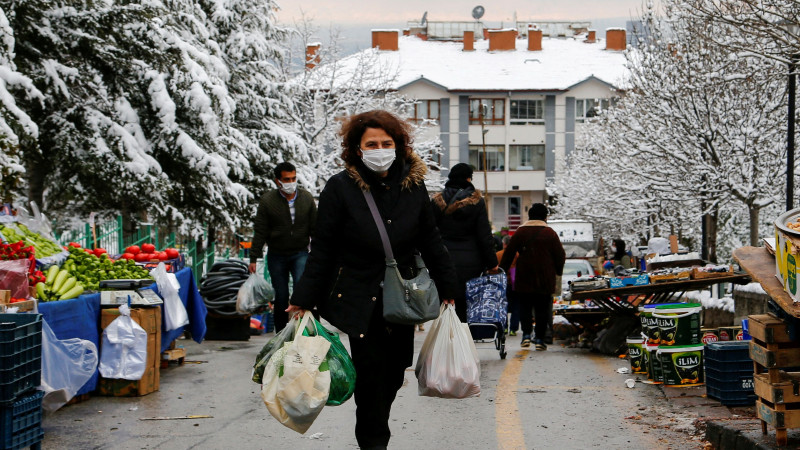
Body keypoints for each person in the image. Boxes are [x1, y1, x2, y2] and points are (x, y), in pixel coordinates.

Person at [288, 110, 458, 450]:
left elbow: (431, 240)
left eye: (386, 142)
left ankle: (376, 424)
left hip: (402, 295)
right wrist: (303, 298)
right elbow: (322, 247)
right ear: (357, 148)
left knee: (394, 373)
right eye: (371, 143)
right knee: (369, 374)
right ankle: (373, 441)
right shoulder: (340, 187)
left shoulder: (413, 185)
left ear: (398, 145)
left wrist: (451, 290)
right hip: (358, 293)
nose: (379, 149)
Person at [249, 162, 317, 332]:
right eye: (287, 179)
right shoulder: (268, 201)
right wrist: (253, 257)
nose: (291, 182)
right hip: (276, 254)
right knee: (281, 295)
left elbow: (315, 227)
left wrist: (318, 253)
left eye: (293, 178)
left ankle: (307, 332)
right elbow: (260, 230)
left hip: (300, 252)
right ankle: (280, 333)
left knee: (303, 291)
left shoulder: (306, 198)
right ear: (278, 181)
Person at [431, 163, 498, 322]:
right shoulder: (477, 202)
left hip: (442, 260)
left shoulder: (436, 201)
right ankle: (462, 339)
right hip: (471, 262)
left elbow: (429, 233)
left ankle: (445, 340)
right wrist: (492, 263)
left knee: (444, 302)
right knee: (465, 306)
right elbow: (484, 235)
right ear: (468, 178)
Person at [499, 203, 565, 350]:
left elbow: (509, 253)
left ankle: (526, 335)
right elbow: (560, 255)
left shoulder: (520, 232)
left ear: (530, 216)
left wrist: (502, 271)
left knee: (525, 307)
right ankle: (540, 339)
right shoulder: (550, 233)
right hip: (545, 278)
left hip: (524, 276)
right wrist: (558, 271)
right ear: (545, 217)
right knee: (542, 309)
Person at [496, 235, 519, 336]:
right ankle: (513, 329)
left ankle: (504, 327)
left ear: (504, 243)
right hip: (515, 284)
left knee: (502, 306)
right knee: (516, 307)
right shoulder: (517, 255)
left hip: (502, 283)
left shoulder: (498, 255)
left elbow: (494, 270)